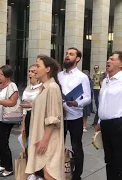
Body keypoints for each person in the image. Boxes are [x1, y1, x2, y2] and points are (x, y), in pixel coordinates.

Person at [25, 55, 65, 180]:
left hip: (48, 139)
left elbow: (52, 117)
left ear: (48, 69)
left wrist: (44, 140)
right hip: (42, 138)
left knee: (49, 173)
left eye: (38, 66)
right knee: (45, 171)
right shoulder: (44, 88)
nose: (34, 69)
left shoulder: (52, 88)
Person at [58, 47, 91, 180]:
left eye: (71, 54)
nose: (67, 56)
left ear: (77, 59)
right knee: (58, 145)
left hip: (75, 116)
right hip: (60, 116)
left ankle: (77, 175)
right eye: (66, 53)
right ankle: (58, 171)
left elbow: (88, 98)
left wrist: (77, 103)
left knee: (76, 146)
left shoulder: (82, 77)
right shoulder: (59, 75)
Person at [95, 51, 122, 180]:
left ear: (121, 64)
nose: (108, 61)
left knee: (119, 161)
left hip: (119, 124)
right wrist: (100, 121)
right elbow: (103, 102)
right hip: (105, 125)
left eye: (112, 59)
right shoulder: (105, 80)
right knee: (109, 160)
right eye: (108, 59)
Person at [20, 64, 42, 141]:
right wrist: (23, 124)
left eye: (32, 71)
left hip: (38, 117)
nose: (30, 73)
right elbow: (24, 109)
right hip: (28, 117)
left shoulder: (43, 88)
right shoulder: (27, 88)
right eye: (29, 71)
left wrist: (32, 105)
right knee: (27, 140)